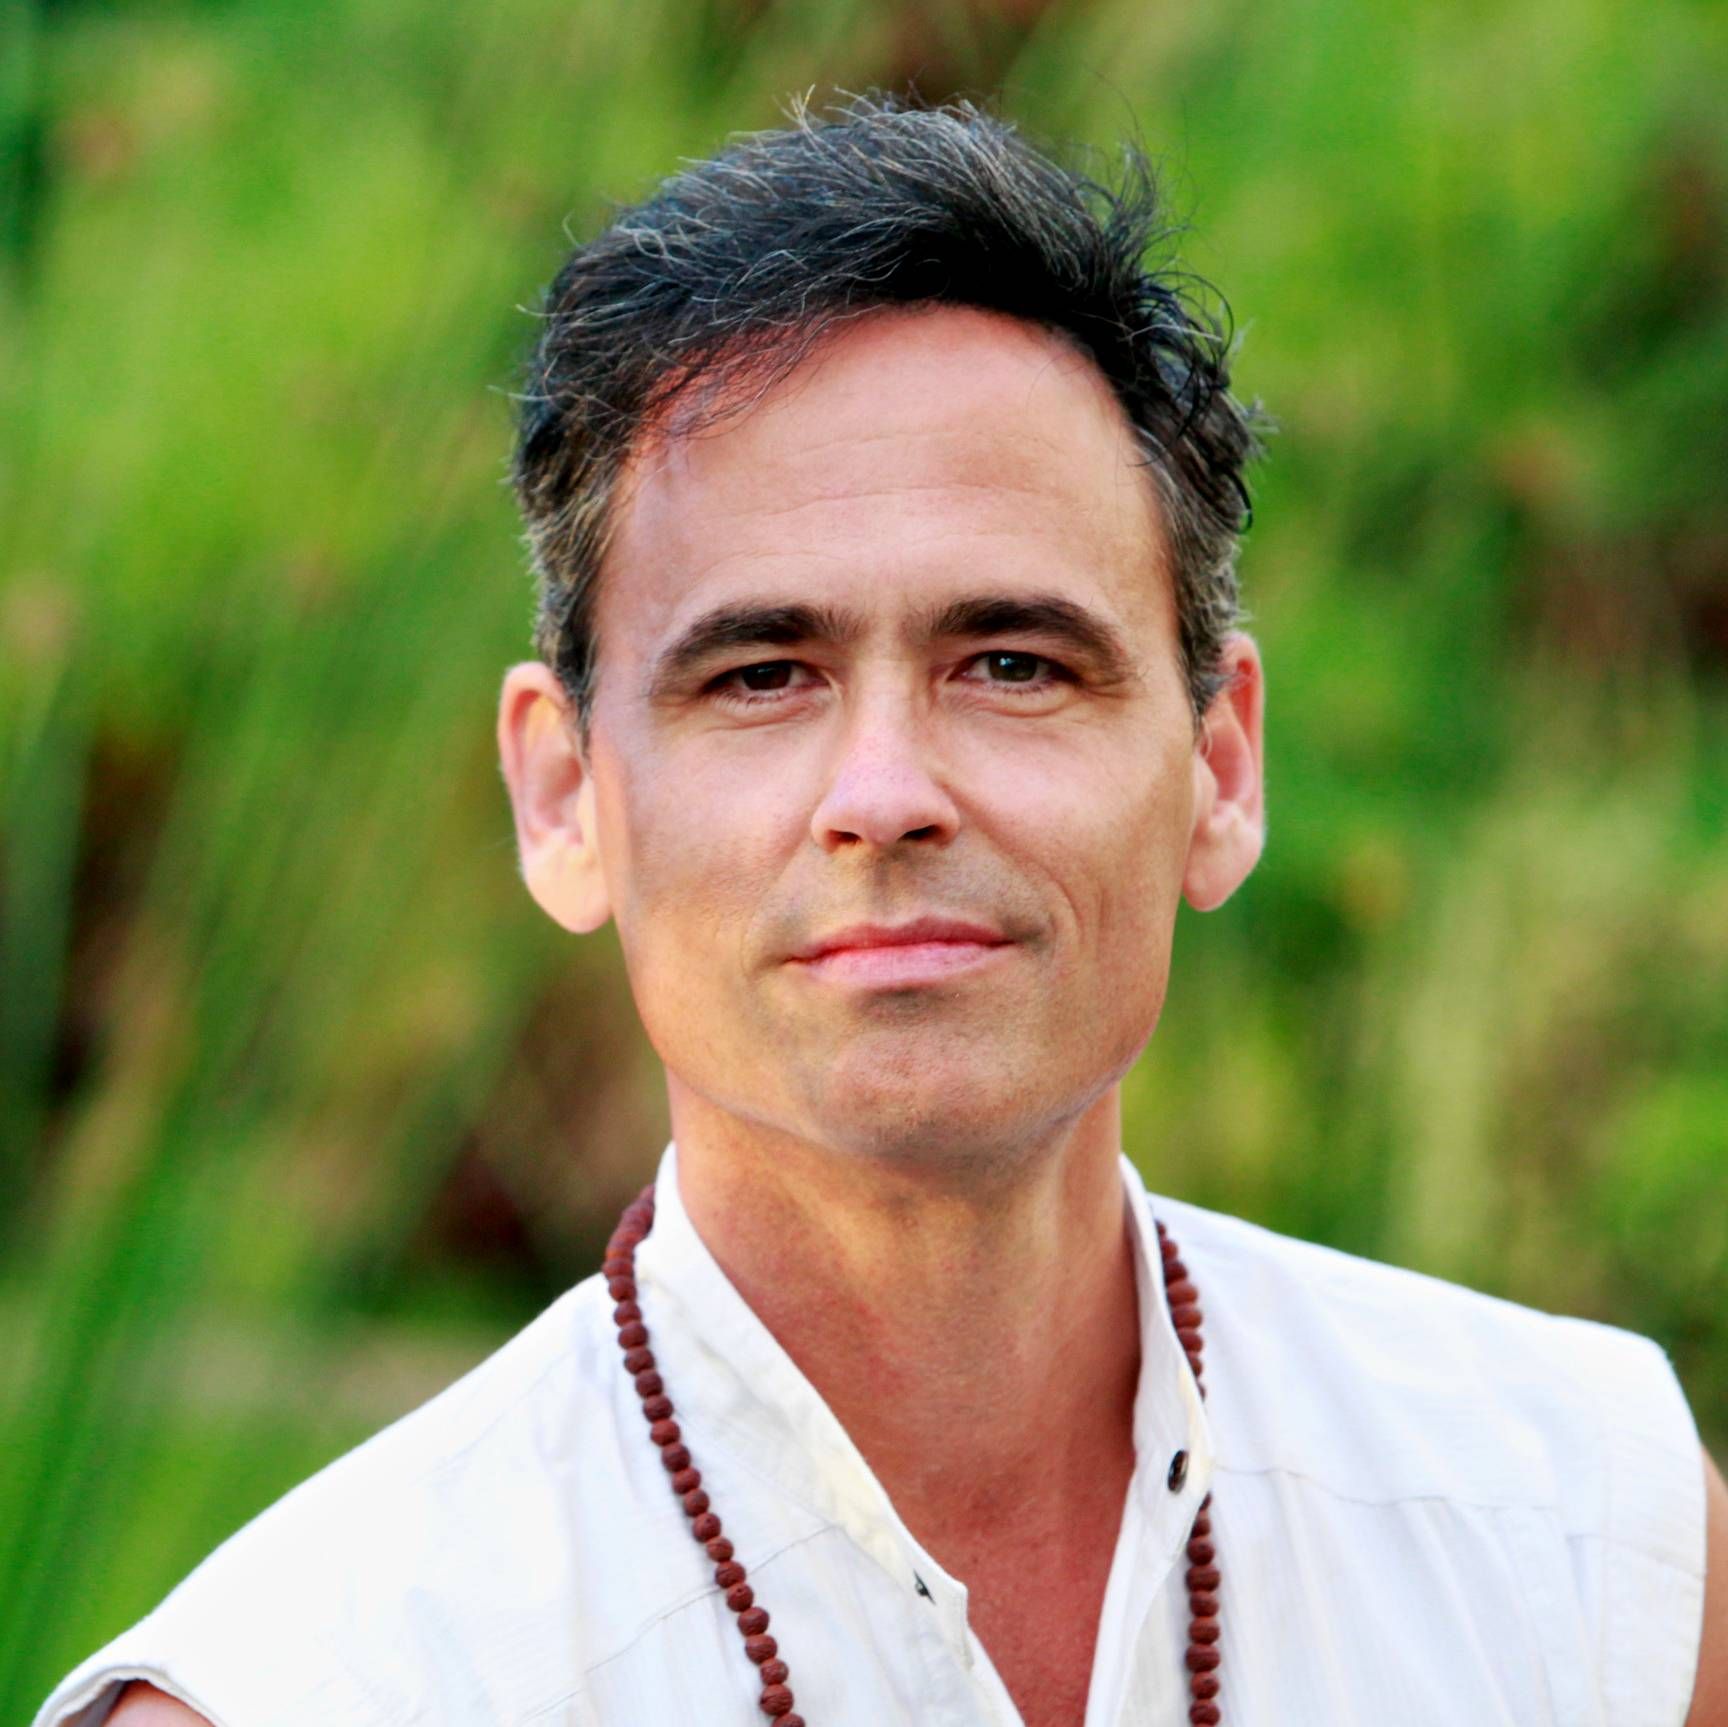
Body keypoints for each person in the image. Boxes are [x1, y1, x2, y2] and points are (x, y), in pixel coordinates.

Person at [37, 93, 1726, 1727]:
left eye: (1014, 663)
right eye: (761, 676)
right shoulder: (323, 1687)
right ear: (564, 797)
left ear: (1219, 767)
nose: (887, 792)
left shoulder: (1595, 1551)